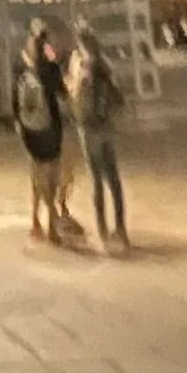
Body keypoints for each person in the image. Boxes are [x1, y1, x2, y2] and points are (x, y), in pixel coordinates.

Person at [69, 29, 128, 250]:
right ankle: (121, 227)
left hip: (89, 129)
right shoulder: (106, 65)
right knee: (114, 179)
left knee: (96, 180)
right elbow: (119, 98)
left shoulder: (83, 70)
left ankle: (102, 228)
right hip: (107, 128)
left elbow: (76, 101)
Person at [16, 19, 65, 240]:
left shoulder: (23, 69)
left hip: (29, 129)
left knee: (35, 173)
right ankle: (52, 225)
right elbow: (62, 93)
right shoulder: (51, 68)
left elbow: (15, 102)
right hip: (50, 126)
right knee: (51, 176)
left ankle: (35, 220)